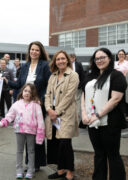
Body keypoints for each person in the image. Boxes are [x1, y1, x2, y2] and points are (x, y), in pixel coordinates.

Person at [81, 48, 127, 180]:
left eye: (102, 57)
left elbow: (116, 99)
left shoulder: (116, 75)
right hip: (92, 123)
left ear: (109, 58)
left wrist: (98, 115)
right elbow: (84, 94)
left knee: (113, 155)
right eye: (97, 58)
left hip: (110, 123)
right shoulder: (90, 76)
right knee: (99, 154)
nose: (99, 60)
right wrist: (84, 113)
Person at [5, 41, 50, 171]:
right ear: (29, 51)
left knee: (37, 135)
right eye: (32, 50)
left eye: (37, 50)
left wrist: (41, 99)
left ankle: (36, 163)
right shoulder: (25, 66)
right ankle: (30, 162)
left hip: (38, 104)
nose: (34, 52)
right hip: (26, 106)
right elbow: (19, 83)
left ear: (40, 52)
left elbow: (49, 84)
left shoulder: (45, 65)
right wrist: (6, 81)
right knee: (26, 134)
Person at [0, 83, 45, 179]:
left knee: (31, 151)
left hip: (31, 132)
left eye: (29, 91)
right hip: (19, 131)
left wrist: (40, 134)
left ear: (33, 94)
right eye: (25, 91)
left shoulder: (36, 105)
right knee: (19, 151)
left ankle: (30, 170)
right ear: (22, 92)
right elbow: (10, 115)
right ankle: (19, 170)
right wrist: (3, 123)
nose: (27, 93)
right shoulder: (16, 104)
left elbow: (40, 120)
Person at [45, 50, 79, 180]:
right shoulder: (52, 76)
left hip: (65, 113)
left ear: (67, 60)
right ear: (55, 62)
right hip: (52, 113)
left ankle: (70, 172)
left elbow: (69, 97)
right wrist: (48, 109)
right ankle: (60, 170)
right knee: (56, 142)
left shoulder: (73, 75)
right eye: (58, 59)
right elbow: (47, 94)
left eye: (63, 59)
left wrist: (56, 112)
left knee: (65, 142)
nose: (60, 61)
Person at [69, 53, 85, 123]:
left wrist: (81, 85)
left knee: (78, 102)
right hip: (68, 87)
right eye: (70, 57)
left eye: (72, 57)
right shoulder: (66, 64)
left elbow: (82, 75)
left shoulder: (78, 64)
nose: (71, 59)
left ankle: (78, 119)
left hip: (78, 86)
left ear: (75, 58)